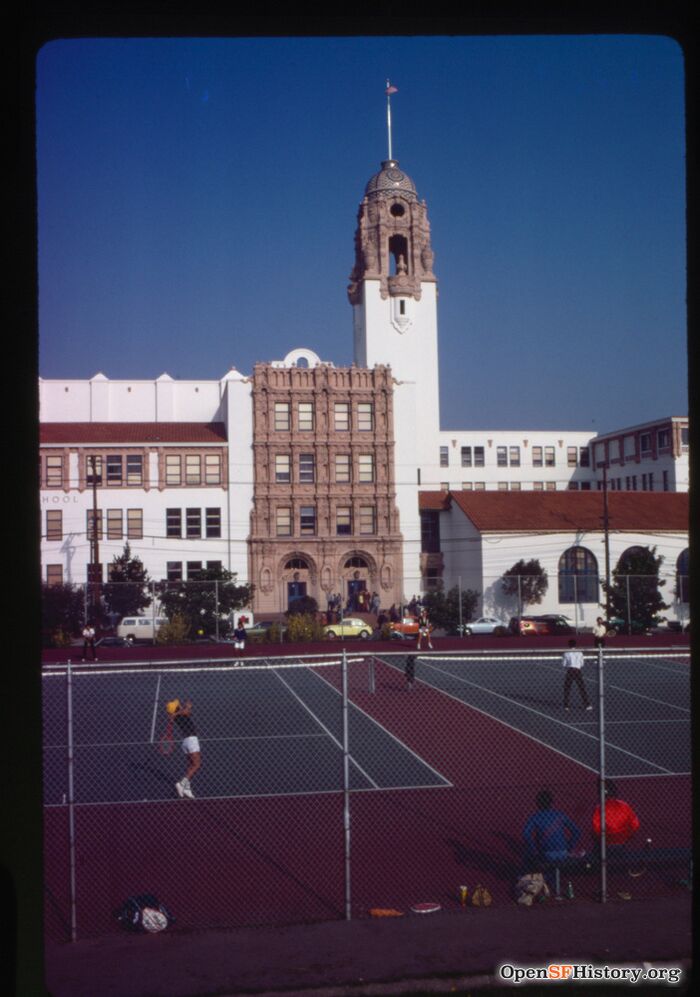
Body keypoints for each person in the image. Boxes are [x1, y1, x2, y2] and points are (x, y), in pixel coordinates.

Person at [523, 789, 582, 867]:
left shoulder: (536, 817)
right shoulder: (560, 815)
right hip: (563, 853)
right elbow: (576, 831)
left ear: (537, 803)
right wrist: (569, 848)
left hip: (546, 854)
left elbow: (526, 834)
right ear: (551, 802)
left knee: (526, 854)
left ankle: (533, 877)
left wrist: (534, 850)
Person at [170, 699, 201, 799]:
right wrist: (187, 706)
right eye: (177, 705)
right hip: (191, 740)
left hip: (185, 742)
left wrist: (185, 709)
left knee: (191, 765)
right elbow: (187, 711)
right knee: (197, 764)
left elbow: (188, 712)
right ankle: (181, 783)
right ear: (176, 708)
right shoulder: (180, 714)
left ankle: (186, 788)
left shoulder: (177, 715)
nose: (179, 705)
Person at [562, 639, 591, 711]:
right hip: (578, 671)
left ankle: (566, 706)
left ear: (569, 645)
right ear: (575, 645)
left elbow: (564, 664)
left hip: (570, 671)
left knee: (567, 688)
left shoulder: (566, 653)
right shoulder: (580, 652)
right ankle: (587, 704)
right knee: (582, 688)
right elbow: (582, 664)